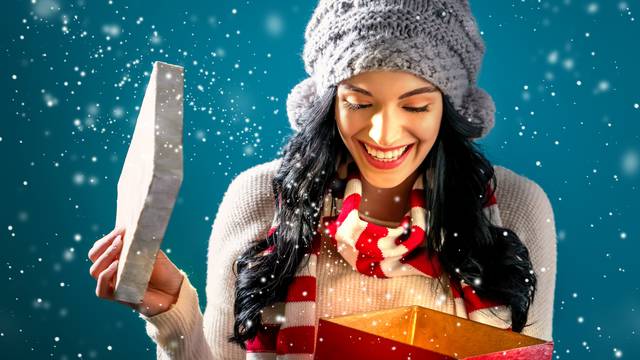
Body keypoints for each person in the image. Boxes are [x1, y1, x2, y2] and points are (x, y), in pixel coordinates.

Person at [88, 1, 557, 359]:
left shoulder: (513, 206)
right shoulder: (259, 199)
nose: (384, 134)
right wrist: (172, 309)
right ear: (327, 102)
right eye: (359, 101)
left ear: (451, 108)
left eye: (415, 105)